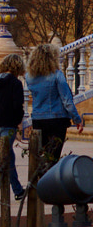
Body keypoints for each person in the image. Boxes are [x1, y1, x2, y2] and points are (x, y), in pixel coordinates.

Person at [27, 41, 85, 173]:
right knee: (53, 158)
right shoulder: (57, 75)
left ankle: (39, 185)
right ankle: (50, 187)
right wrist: (77, 119)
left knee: (40, 157)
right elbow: (67, 100)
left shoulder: (30, 77)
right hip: (56, 119)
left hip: (38, 119)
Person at [0, 52, 27, 205]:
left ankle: (18, 191)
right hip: (9, 124)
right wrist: (18, 122)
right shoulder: (15, 83)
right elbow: (18, 106)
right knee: (1, 157)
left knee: (8, 155)